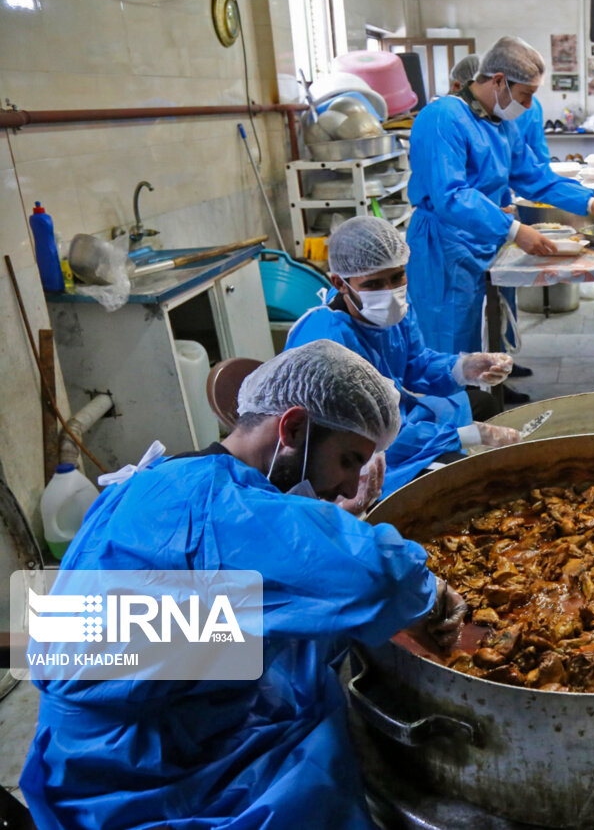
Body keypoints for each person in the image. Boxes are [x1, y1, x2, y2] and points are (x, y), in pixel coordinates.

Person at [20, 341, 469, 829]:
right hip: (136, 770)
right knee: (320, 767)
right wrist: (433, 598)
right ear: (293, 429)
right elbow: (381, 577)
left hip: (111, 729)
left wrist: (332, 520)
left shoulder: (164, 478)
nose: (348, 485)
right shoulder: (215, 508)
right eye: (347, 460)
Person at [407, 36, 594, 354]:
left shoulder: (500, 124)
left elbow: (534, 176)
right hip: (445, 243)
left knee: (496, 322)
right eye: (525, 95)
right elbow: (452, 196)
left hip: (486, 234)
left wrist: (590, 202)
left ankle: (494, 377)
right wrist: (513, 230)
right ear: (498, 81)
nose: (527, 107)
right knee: (451, 339)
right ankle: (457, 387)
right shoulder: (443, 118)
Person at [286, 217, 522, 495]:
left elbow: (414, 363)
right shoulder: (327, 345)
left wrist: (463, 368)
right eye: (373, 284)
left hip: (394, 416)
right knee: (459, 475)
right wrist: (464, 435)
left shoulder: (391, 310)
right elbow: (370, 437)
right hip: (358, 452)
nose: (389, 292)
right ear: (340, 282)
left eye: (397, 277)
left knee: (483, 402)